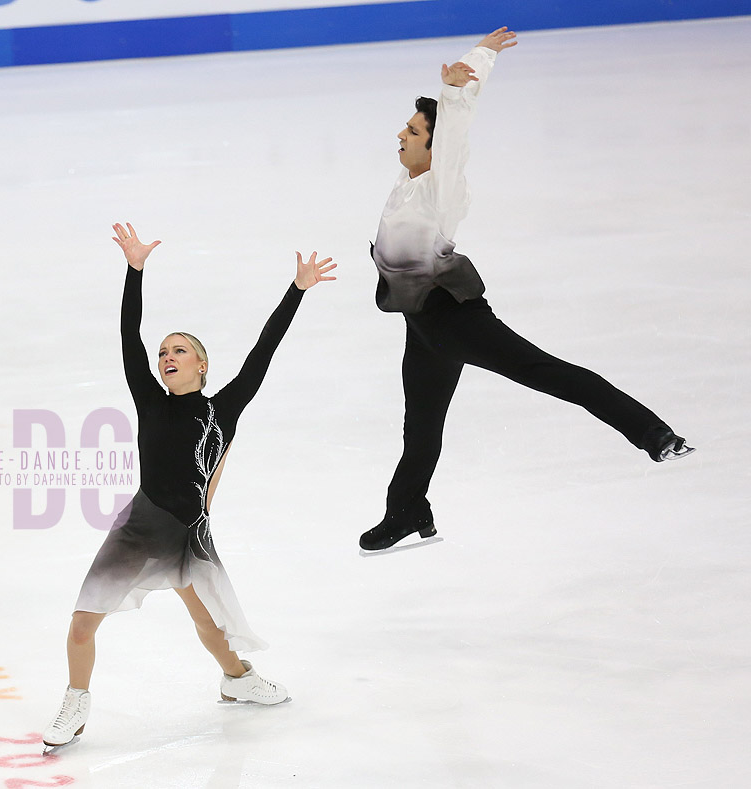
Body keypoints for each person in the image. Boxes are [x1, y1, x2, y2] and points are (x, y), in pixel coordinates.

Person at [359, 27, 693, 552]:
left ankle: (654, 435)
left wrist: (458, 85)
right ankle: (406, 511)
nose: (401, 134)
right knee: (420, 427)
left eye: (413, 130)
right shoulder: (408, 181)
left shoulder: (442, 186)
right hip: (422, 328)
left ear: (434, 145)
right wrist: (467, 70)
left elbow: (456, 130)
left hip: (457, 320)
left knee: (548, 374)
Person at [43, 223, 337, 748]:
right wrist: (134, 271)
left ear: (201, 365)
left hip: (190, 534)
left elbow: (263, 351)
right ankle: (75, 704)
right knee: (83, 622)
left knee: (209, 624)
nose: (166, 357)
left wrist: (297, 290)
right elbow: (128, 336)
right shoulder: (150, 400)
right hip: (141, 527)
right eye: (163, 353)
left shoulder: (224, 408)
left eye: (178, 350)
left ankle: (238, 679)